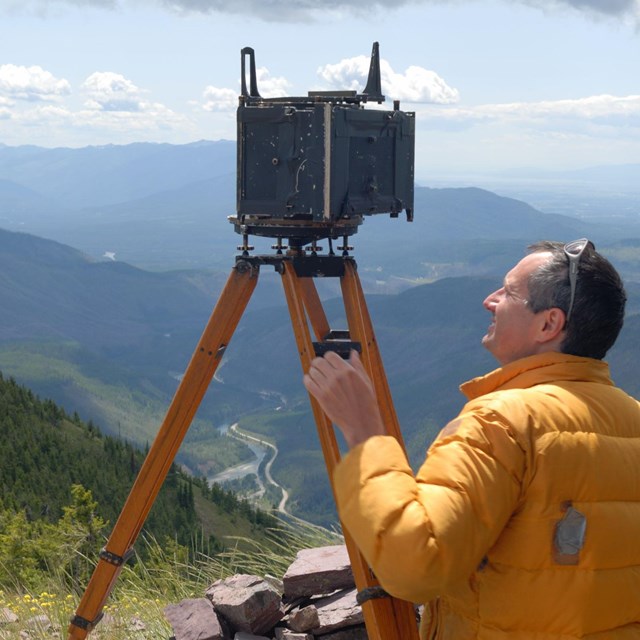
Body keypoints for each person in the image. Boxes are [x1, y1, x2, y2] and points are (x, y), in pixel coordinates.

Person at [303, 239, 640, 639]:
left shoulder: (502, 422)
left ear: (548, 324)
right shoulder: (632, 419)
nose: (489, 300)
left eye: (509, 292)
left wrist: (365, 431)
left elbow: (416, 567)